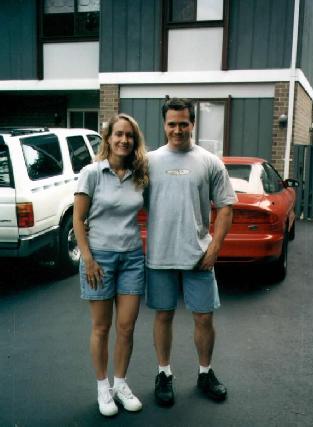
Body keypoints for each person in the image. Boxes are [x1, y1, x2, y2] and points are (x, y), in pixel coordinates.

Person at [145, 97, 237, 406]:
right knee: (163, 317)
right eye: (172, 123)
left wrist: (215, 247)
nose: (178, 129)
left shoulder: (210, 162)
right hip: (159, 256)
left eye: (184, 123)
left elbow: (225, 208)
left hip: (200, 256)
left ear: (192, 123)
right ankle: (164, 374)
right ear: (164, 124)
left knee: (203, 318)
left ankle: (205, 372)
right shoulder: (149, 161)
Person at [73, 113, 148, 416]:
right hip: (99, 260)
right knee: (102, 328)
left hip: (132, 258)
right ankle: (103, 388)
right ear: (108, 139)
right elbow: (78, 219)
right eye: (118, 134)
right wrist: (88, 259)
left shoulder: (140, 175)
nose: (123, 140)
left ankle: (121, 384)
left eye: (129, 136)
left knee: (126, 328)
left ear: (134, 141)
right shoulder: (91, 173)